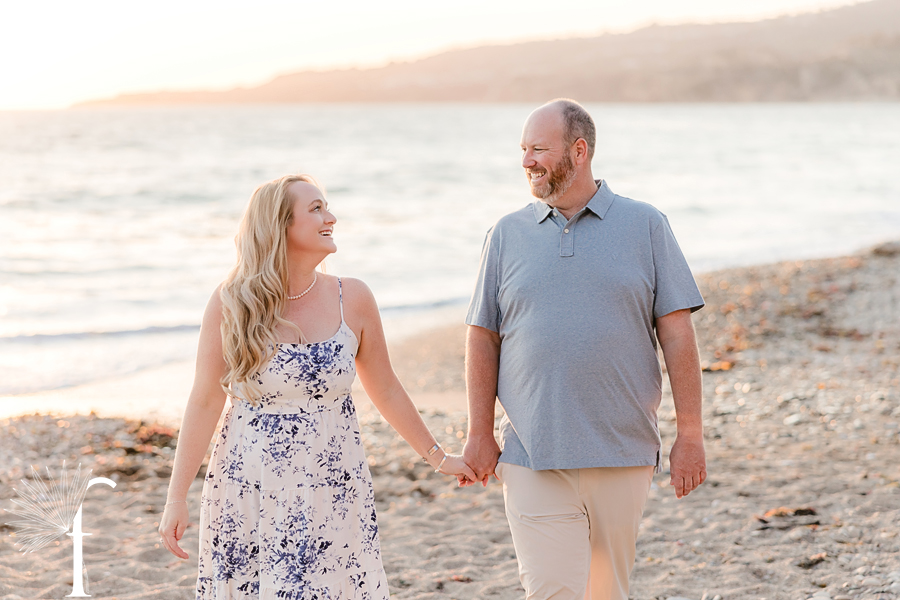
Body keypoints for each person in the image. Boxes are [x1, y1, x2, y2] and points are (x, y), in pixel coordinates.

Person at [158, 174, 476, 599]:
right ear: (280, 225)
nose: (332, 217)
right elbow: (204, 400)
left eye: (326, 207)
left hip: (332, 485)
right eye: (316, 209)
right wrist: (176, 498)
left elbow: (386, 388)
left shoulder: (353, 298)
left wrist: (440, 458)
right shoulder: (231, 302)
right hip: (250, 484)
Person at [461, 99, 707, 600]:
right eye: (523, 149)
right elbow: (482, 335)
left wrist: (692, 434)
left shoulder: (646, 225)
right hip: (531, 450)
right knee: (551, 590)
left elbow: (678, 334)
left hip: (622, 449)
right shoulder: (506, 235)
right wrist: (479, 431)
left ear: (579, 150)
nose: (527, 161)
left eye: (539, 149)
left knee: (606, 592)